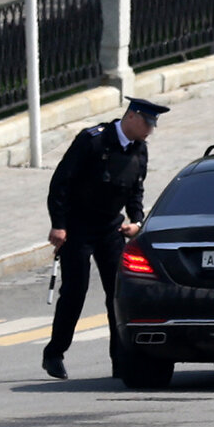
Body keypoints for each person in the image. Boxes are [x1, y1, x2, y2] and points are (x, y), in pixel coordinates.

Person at [41, 96, 169, 380]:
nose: (150, 129)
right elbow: (61, 183)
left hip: (110, 229)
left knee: (117, 294)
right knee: (75, 291)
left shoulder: (139, 150)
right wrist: (59, 224)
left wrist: (136, 221)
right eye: (148, 123)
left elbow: (136, 191)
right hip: (77, 227)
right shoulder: (93, 141)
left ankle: (120, 360)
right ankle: (54, 353)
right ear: (132, 117)